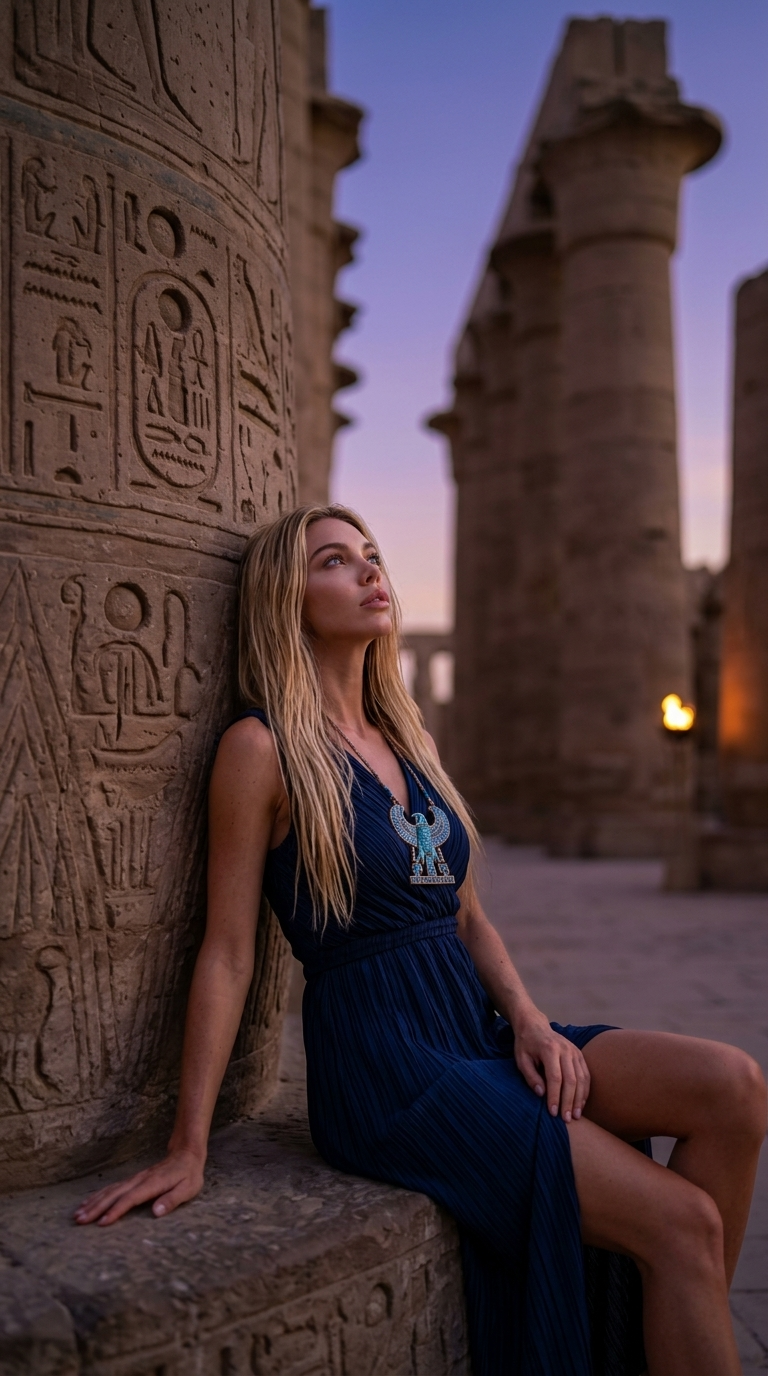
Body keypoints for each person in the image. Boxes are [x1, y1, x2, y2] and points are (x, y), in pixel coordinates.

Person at [75, 504, 767, 1376]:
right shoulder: (262, 749)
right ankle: (681, 1285)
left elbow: (469, 918)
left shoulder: (414, 740)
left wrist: (529, 1018)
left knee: (734, 1088)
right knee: (682, 1223)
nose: (372, 572)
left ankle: (675, 1317)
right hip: (388, 1066)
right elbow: (227, 954)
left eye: (372, 555)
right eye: (336, 561)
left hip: (471, 1029)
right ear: (286, 598)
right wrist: (190, 1143)